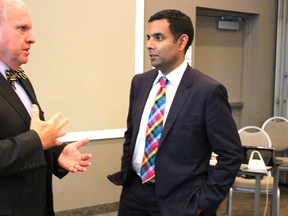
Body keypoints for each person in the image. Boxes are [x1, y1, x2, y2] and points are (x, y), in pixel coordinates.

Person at [108, 9, 243, 216]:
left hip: (182, 201)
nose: (149, 45)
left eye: (158, 37)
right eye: (148, 37)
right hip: (134, 195)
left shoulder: (207, 91)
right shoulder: (140, 83)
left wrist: (203, 203)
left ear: (181, 43)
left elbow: (231, 155)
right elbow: (132, 134)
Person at [0, 0, 92, 215]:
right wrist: (37, 141)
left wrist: (56, 154)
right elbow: (33, 138)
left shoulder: (20, 77)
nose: (32, 38)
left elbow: (28, 134)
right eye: (22, 28)